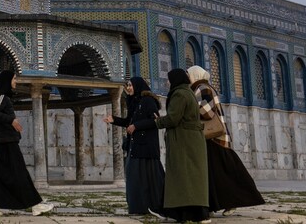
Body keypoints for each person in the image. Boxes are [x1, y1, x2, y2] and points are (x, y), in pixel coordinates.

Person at [186, 66, 265, 216]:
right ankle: (213, 205)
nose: (188, 78)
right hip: (212, 138)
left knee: (225, 172)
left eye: (189, 75)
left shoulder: (203, 88)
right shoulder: (202, 88)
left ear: (195, 75)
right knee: (216, 174)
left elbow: (207, 112)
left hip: (214, 138)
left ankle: (235, 200)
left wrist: (190, 109)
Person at [139, 68, 209, 223]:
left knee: (183, 176)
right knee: (186, 178)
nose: (167, 82)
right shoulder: (188, 92)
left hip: (184, 140)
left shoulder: (179, 94)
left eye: (169, 79)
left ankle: (193, 214)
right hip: (189, 139)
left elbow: (173, 119)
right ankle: (177, 212)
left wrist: (157, 121)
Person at [0, 70, 53, 217]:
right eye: (14, 79)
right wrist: (11, 120)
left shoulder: (4, 97)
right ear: (6, 81)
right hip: (7, 142)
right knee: (20, 172)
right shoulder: (1, 97)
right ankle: (35, 205)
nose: (16, 82)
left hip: (7, 140)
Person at [105, 77, 165, 215]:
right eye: (128, 85)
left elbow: (155, 121)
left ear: (138, 86)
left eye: (131, 85)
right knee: (135, 179)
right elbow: (128, 122)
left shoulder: (148, 101)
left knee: (150, 179)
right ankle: (140, 208)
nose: (129, 88)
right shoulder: (136, 102)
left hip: (146, 148)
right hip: (137, 146)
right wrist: (114, 120)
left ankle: (154, 206)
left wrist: (136, 126)